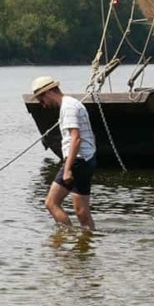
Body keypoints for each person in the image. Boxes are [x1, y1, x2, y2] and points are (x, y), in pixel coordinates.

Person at [32, 76, 97, 231]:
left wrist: (67, 169)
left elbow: (76, 138)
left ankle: (67, 237)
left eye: (41, 100)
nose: (44, 105)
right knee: (82, 212)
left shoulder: (68, 107)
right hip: (85, 159)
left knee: (51, 203)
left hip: (78, 160)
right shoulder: (72, 104)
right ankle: (86, 243)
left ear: (48, 93)